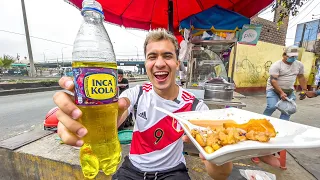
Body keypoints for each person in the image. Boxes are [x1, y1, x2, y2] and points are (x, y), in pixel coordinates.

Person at [54, 28, 278, 180]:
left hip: (172, 173)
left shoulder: (196, 108)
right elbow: (114, 118)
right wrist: (87, 116)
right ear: (146, 63)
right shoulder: (137, 93)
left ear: (177, 63)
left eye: (167, 56)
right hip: (131, 169)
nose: (159, 63)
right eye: (152, 56)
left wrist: (220, 153)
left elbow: (219, 175)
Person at [263, 45, 308, 120]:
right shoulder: (277, 65)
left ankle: (282, 126)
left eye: (295, 56)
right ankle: (262, 121)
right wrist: (281, 92)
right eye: (291, 56)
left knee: (288, 110)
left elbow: (301, 77)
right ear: (284, 55)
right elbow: (273, 80)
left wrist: (304, 90)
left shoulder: (299, 65)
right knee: (271, 107)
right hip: (273, 89)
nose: (293, 58)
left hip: (289, 90)